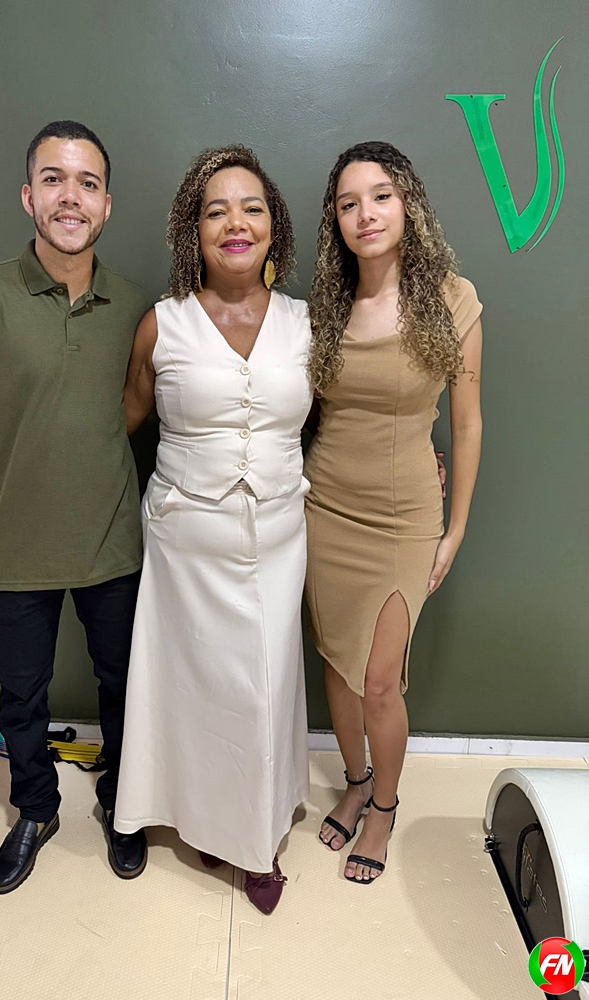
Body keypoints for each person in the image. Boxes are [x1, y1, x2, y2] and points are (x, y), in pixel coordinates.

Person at [0, 120, 150, 893]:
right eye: (54, 179)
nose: (70, 197)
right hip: (10, 547)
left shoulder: (135, 305)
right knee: (20, 693)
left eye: (88, 183)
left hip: (112, 543)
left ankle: (125, 802)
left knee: (124, 684)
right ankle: (35, 808)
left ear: (107, 204)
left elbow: (130, 406)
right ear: (29, 196)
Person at [114, 146, 311, 915]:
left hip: (279, 535)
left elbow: (343, 418)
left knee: (264, 687)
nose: (236, 222)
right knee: (195, 687)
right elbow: (120, 427)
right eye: (216, 210)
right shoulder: (161, 325)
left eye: (252, 208)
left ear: (274, 226)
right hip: (184, 538)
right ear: (192, 230)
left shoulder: (306, 324)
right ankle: (200, 817)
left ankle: (255, 836)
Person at [304, 141, 483, 884]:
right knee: (337, 665)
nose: (366, 214)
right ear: (336, 222)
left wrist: (456, 528)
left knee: (381, 680)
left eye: (380, 196)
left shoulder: (452, 299)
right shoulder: (324, 309)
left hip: (408, 516)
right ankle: (353, 780)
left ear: (408, 203)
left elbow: (466, 423)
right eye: (349, 204)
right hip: (325, 508)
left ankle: (383, 805)